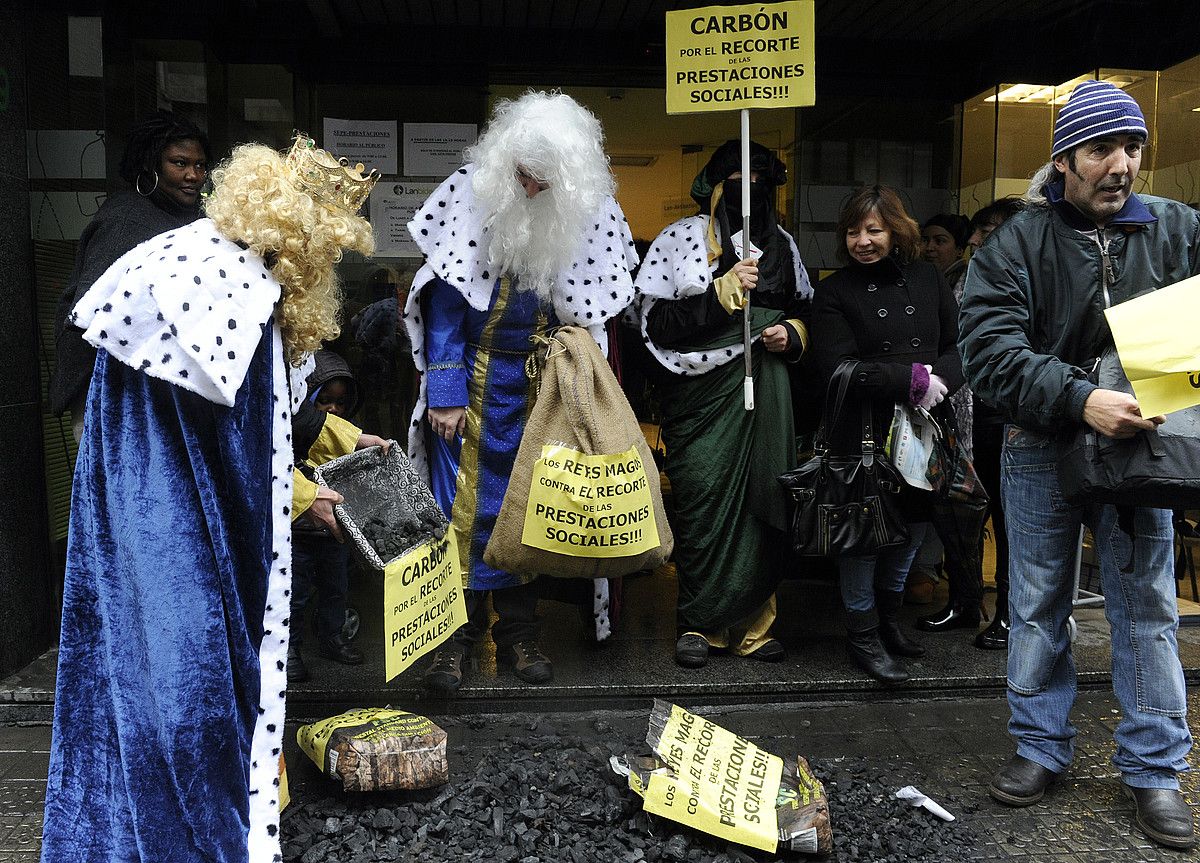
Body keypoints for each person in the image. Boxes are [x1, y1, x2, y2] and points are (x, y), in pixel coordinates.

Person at [41, 134, 379, 863]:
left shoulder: (208, 259)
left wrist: (341, 441)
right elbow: (233, 448)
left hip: (138, 523)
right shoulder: (239, 291)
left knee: (127, 701)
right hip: (176, 538)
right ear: (300, 240)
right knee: (190, 713)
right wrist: (302, 499)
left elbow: (259, 421)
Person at [959, 80, 1200, 849]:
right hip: (1040, 444)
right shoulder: (1015, 243)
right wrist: (1078, 397)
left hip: (1145, 442)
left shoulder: (1177, 229)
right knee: (1035, 602)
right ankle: (1039, 746)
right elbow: (987, 355)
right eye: (1102, 149)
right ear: (1064, 159)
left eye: (1132, 148)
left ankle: (1157, 771)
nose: (1121, 164)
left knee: (1147, 605)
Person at [405, 91, 638, 693]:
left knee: (537, 508)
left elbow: (589, 313)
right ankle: (449, 642)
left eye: (545, 181)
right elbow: (443, 301)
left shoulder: (585, 212)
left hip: (541, 386)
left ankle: (519, 633)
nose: (532, 190)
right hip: (473, 388)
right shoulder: (470, 193)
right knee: (457, 513)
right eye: (524, 177)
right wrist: (445, 389)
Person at [632, 140, 811, 669]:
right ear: (713, 184)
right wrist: (719, 294)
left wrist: (791, 335)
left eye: (760, 176)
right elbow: (655, 326)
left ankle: (757, 627)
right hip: (701, 399)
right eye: (735, 175)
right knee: (703, 499)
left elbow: (807, 314)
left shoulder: (784, 246)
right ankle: (699, 623)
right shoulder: (681, 239)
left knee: (767, 496)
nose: (748, 184)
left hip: (768, 392)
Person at [810, 185, 963, 684]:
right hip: (865, 430)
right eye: (853, 231)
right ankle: (862, 633)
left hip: (926, 424)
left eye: (873, 230)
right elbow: (833, 367)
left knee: (915, 522)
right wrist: (907, 380)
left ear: (896, 230)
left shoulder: (928, 278)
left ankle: (888, 619)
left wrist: (939, 380)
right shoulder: (835, 291)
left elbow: (958, 345)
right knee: (866, 531)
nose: (862, 241)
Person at [49, 110, 211, 441]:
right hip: (112, 394)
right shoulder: (125, 221)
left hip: (159, 391)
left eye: (199, 165)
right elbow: (91, 314)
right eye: (179, 163)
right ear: (150, 165)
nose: (193, 175)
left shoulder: (188, 218)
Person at [963, 197, 1024, 651]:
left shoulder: (1029, 275)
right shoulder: (975, 276)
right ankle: (970, 602)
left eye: (987, 230)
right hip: (975, 412)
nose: (975, 239)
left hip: (1015, 414)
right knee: (970, 512)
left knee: (1010, 520)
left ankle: (1008, 612)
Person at [288, 349, 367, 684]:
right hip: (297, 532)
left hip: (334, 533)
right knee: (296, 591)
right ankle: (289, 648)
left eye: (340, 403)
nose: (333, 410)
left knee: (336, 587)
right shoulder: (288, 442)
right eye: (325, 402)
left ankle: (332, 637)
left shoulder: (343, 438)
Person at [920, 213, 971, 289]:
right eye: (925, 240)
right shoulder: (921, 279)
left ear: (959, 250)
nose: (929, 248)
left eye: (939, 241)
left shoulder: (967, 284)